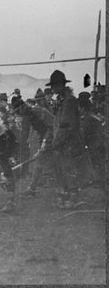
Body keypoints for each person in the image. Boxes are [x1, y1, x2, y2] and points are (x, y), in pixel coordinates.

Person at [47, 70, 88, 209]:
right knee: (61, 171)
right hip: (61, 143)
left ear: (62, 85)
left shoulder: (69, 101)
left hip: (69, 143)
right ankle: (65, 197)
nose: (53, 89)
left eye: (55, 85)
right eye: (52, 86)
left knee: (69, 171)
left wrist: (56, 142)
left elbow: (66, 125)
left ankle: (74, 199)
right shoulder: (62, 100)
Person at [78, 94, 105, 190]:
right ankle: (97, 180)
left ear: (83, 108)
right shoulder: (92, 116)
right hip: (98, 143)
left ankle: (99, 182)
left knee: (95, 163)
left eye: (79, 107)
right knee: (97, 163)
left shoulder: (88, 118)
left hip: (94, 144)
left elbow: (84, 133)